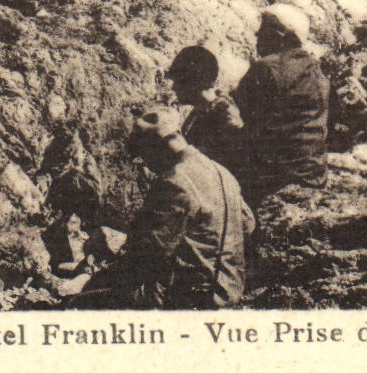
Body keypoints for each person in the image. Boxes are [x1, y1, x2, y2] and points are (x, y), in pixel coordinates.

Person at [82, 108, 252, 308]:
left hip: (193, 298)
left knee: (88, 301)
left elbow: (150, 252)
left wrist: (103, 274)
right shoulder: (221, 172)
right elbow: (248, 224)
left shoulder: (174, 181)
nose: (147, 166)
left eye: (144, 156)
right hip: (230, 290)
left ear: (156, 147)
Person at [233, 4, 329, 204]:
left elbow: (241, 110)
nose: (257, 35)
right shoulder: (315, 68)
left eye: (263, 30)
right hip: (313, 172)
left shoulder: (266, 68)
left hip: (275, 175)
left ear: (279, 36)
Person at [167, 45, 246, 177]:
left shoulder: (224, 117)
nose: (174, 88)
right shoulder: (202, 111)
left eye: (179, 82)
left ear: (195, 82)